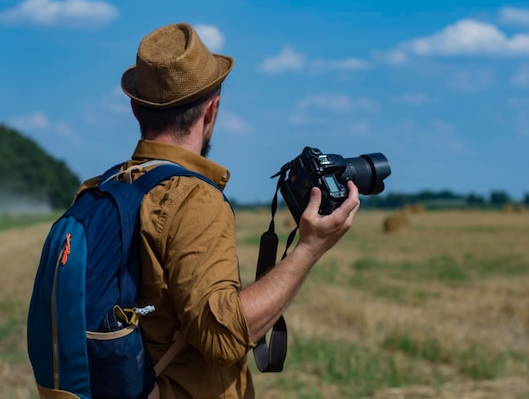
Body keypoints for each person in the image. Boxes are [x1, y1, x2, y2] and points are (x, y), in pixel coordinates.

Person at [82, 22, 360, 399]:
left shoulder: (100, 188)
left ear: (135, 108)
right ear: (211, 110)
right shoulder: (193, 198)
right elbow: (223, 338)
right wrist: (309, 247)